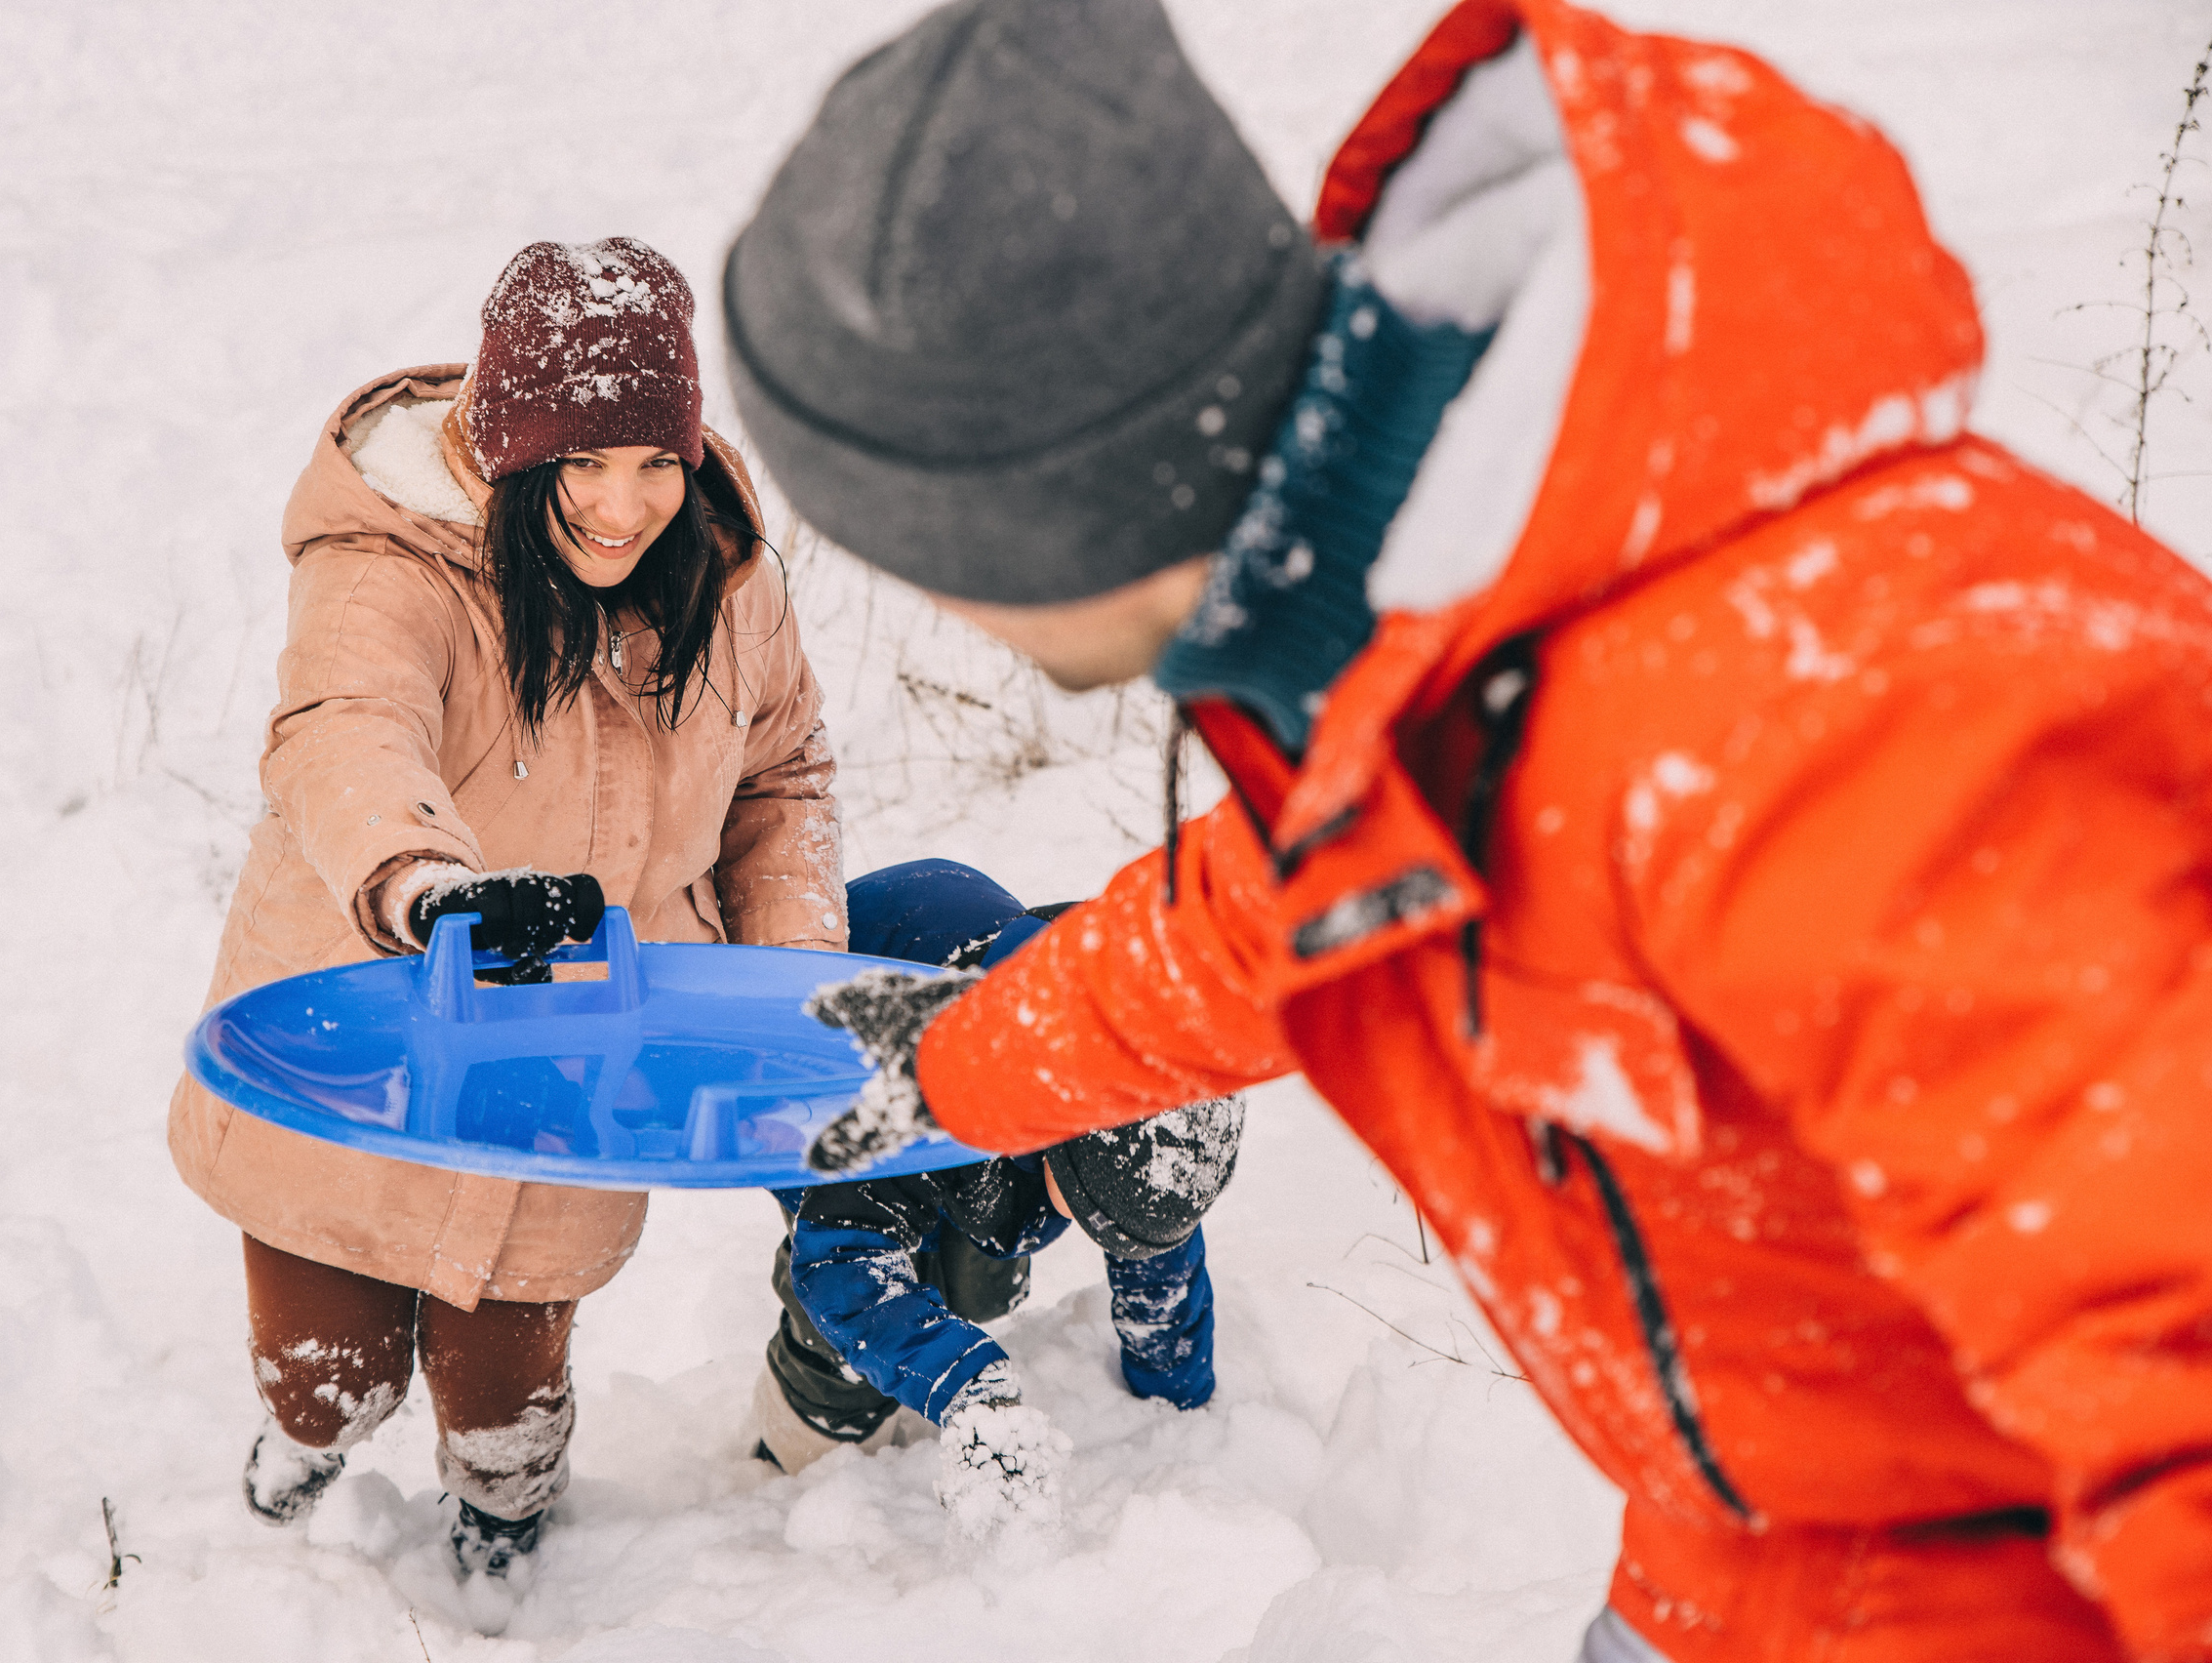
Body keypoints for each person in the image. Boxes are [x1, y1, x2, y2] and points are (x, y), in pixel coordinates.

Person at [721, 1, 2212, 1659]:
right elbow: (1256, 921)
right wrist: (947, 1067)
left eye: (915, 552)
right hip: (1755, 1546)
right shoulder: (1429, 632)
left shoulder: (1814, 717)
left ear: (1047, 509)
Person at [168, 237, 844, 1581]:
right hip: (365, 1026)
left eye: (655, 461)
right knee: (331, 1372)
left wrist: (786, 988)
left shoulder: (726, 579)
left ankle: (506, 1531)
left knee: (506, 1397)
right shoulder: (392, 564)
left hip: (576, 1059)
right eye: (582, 463)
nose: (623, 504)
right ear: (514, 449)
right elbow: (346, 730)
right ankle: (299, 1457)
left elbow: (784, 774)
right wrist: (430, 889)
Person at [754, 862, 1241, 1532]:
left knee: (979, 1282)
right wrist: (968, 1386)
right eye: (1096, 1219)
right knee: (845, 1330)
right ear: (1056, 1141)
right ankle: (799, 1448)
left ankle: (939, 1302)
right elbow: (843, 1267)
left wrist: (1175, 1396)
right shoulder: (902, 1100)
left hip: (991, 1110)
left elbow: (1158, 1248)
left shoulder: (1135, 1092)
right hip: (825, 1089)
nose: (1104, 1236)